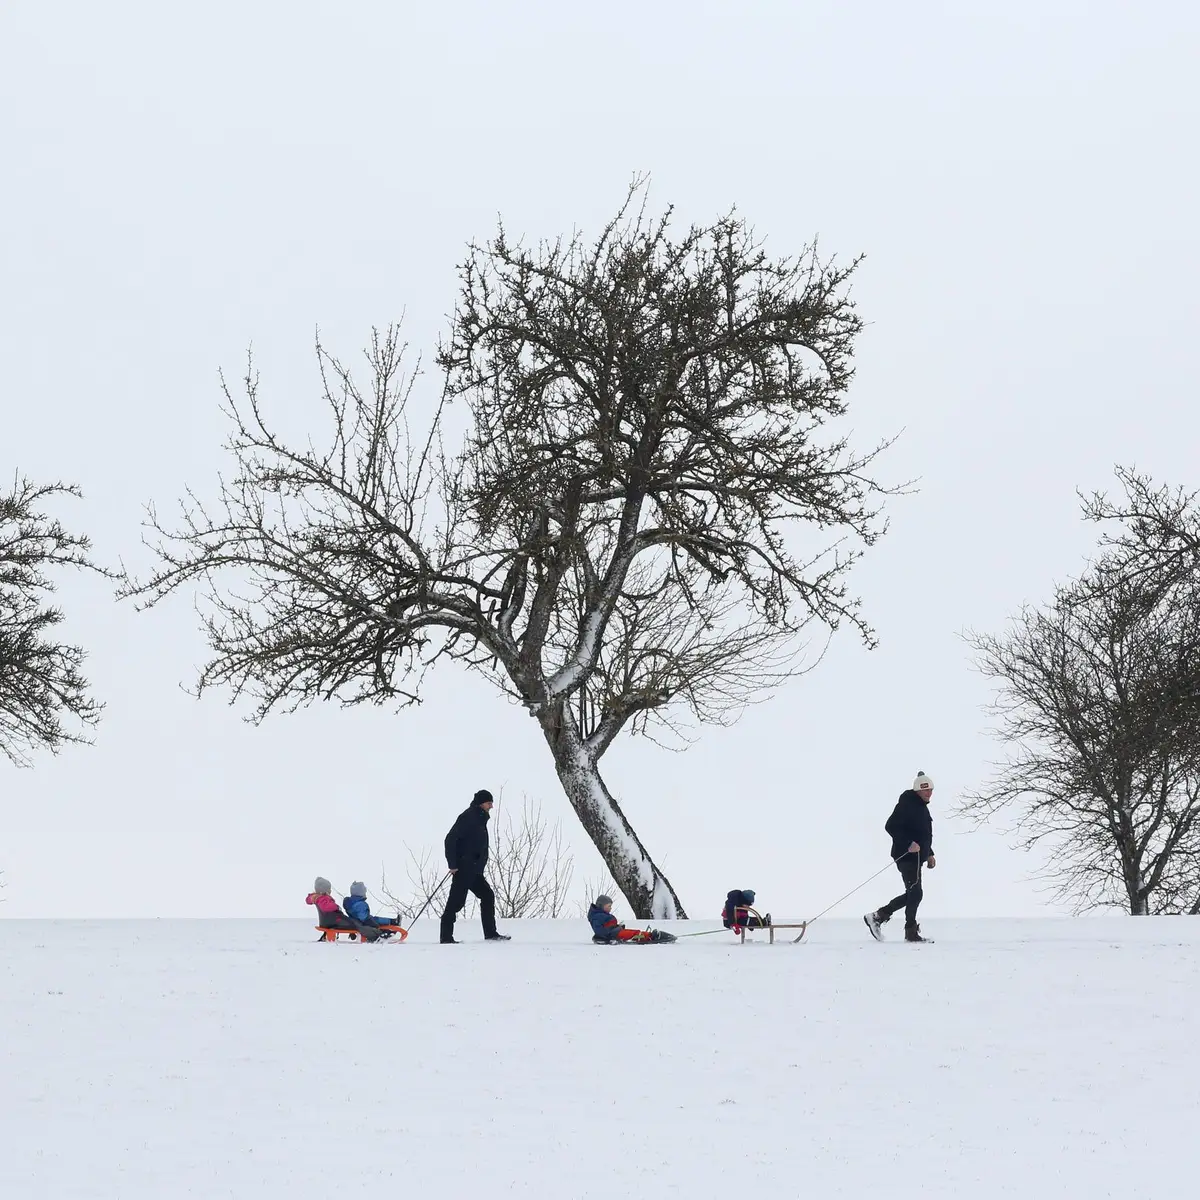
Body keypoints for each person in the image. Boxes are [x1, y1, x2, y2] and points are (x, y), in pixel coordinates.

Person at [864, 771, 936, 943]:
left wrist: (930, 853)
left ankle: (880, 917)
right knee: (915, 893)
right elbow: (890, 826)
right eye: (926, 791)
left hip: (917, 857)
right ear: (918, 791)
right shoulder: (907, 805)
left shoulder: (921, 808)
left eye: (931, 790)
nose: (929, 793)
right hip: (906, 856)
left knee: (914, 893)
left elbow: (923, 835)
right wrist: (908, 843)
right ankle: (903, 928)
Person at [440, 789, 510, 944]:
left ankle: (491, 933)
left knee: (487, 895)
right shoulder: (468, 817)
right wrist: (453, 864)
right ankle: (445, 937)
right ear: (481, 803)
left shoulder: (480, 818)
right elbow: (450, 839)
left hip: (475, 870)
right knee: (456, 903)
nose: (491, 806)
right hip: (464, 868)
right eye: (489, 803)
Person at [305, 876, 377, 940]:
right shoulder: (323, 898)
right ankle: (375, 935)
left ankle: (358, 933)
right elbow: (326, 907)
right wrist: (336, 907)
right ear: (324, 890)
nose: (330, 890)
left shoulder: (318, 898)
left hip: (330, 921)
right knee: (357, 924)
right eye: (329, 889)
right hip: (334, 921)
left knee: (353, 923)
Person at [587, 894, 676, 944]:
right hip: (614, 934)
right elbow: (601, 930)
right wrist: (609, 938)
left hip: (615, 932)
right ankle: (651, 936)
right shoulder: (597, 917)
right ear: (601, 906)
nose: (610, 908)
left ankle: (649, 935)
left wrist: (616, 927)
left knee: (633, 932)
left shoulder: (599, 915)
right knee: (634, 934)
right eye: (609, 906)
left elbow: (606, 926)